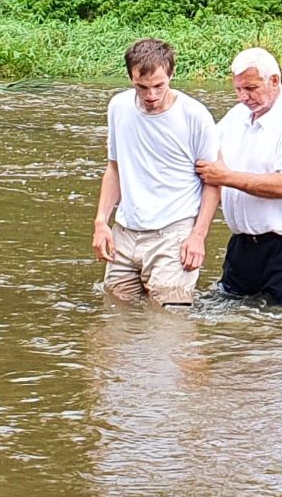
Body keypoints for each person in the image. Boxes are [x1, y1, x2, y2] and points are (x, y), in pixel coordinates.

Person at [92, 37, 222, 309]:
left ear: (171, 75)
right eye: (142, 87)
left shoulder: (194, 116)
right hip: (125, 233)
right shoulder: (118, 107)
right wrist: (102, 222)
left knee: (171, 324)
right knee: (115, 317)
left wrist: (198, 235)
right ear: (130, 78)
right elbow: (114, 167)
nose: (151, 95)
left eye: (158, 86)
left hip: (174, 235)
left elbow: (213, 181)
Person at [198, 47, 282, 306]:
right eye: (237, 89)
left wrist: (226, 177)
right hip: (245, 239)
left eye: (250, 88)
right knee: (229, 305)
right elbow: (207, 153)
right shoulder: (237, 116)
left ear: (274, 81)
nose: (243, 97)